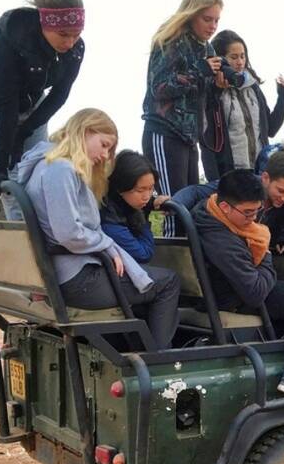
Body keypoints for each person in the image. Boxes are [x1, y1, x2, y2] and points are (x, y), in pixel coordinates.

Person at [13, 109, 181, 350]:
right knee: (168, 282)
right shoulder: (61, 170)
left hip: (60, 273)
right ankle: (159, 362)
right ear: (85, 131)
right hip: (76, 279)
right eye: (103, 145)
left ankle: (135, 352)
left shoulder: (43, 165)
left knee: (146, 285)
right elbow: (69, 234)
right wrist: (108, 246)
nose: (104, 155)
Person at [191, 170, 284, 396]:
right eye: (248, 213)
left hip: (224, 286)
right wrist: (266, 254)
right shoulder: (221, 239)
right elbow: (256, 293)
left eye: (257, 210)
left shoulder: (206, 210)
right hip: (233, 296)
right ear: (226, 207)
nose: (254, 218)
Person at [0, 0, 86, 219]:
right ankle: (24, 249)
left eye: (77, 34)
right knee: (12, 184)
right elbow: (7, 104)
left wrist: (24, 132)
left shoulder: (75, 50)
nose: (70, 42)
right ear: (45, 25)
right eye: (63, 34)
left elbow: (58, 96)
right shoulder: (12, 41)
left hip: (33, 102)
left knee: (40, 174)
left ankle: (50, 246)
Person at [142, 0, 224, 237]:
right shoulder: (170, 39)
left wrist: (218, 85)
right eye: (207, 19)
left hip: (191, 138)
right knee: (172, 208)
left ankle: (189, 268)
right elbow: (159, 88)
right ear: (191, 14)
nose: (213, 26)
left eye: (217, 20)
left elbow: (202, 96)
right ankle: (172, 269)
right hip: (165, 131)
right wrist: (201, 71)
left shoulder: (207, 48)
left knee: (189, 210)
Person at [172, 151, 284, 250]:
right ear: (265, 178)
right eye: (281, 191)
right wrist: (175, 203)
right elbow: (196, 191)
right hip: (228, 248)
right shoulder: (242, 184)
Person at [200, 30, 284, 180]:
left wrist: (283, 96)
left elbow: (271, 129)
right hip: (230, 174)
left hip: (259, 171)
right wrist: (216, 90)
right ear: (220, 59)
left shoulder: (253, 87)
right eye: (233, 57)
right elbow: (207, 141)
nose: (240, 62)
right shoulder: (210, 90)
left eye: (242, 56)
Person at [100, 150, 169, 264]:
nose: (147, 196)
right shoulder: (109, 218)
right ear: (120, 187)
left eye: (151, 188)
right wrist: (143, 215)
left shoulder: (126, 203)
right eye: (140, 190)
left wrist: (153, 203)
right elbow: (144, 254)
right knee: (170, 278)